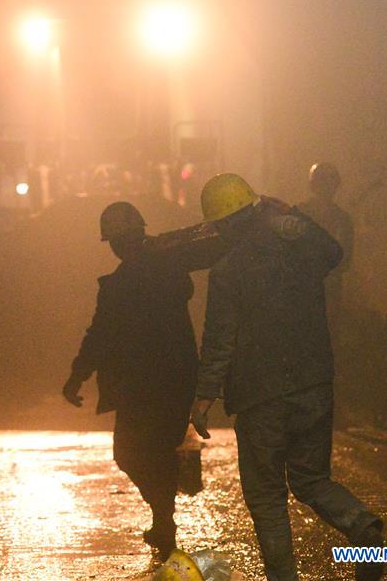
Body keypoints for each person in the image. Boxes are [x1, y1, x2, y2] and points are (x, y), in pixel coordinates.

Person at [189, 174, 383, 581]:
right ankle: (360, 525)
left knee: (266, 496)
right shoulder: (300, 250)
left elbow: (219, 340)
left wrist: (204, 396)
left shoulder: (227, 271)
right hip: (314, 383)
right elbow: (335, 253)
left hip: (260, 396)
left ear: (222, 225)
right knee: (312, 479)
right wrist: (296, 218)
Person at [62, 201, 228, 554]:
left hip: (150, 380)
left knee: (134, 452)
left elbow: (100, 333)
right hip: (167, 377)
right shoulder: (153, 270)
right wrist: (79, 373)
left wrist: (79, 374)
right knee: (147, 452)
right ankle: (163, 520)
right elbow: (101, 332)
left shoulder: (140, 275)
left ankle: (163, 519)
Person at [298, 162, 354, 316]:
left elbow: (344, 261)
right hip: (310, 289)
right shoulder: (342, 219)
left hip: (318, 290)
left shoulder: (298, 214)